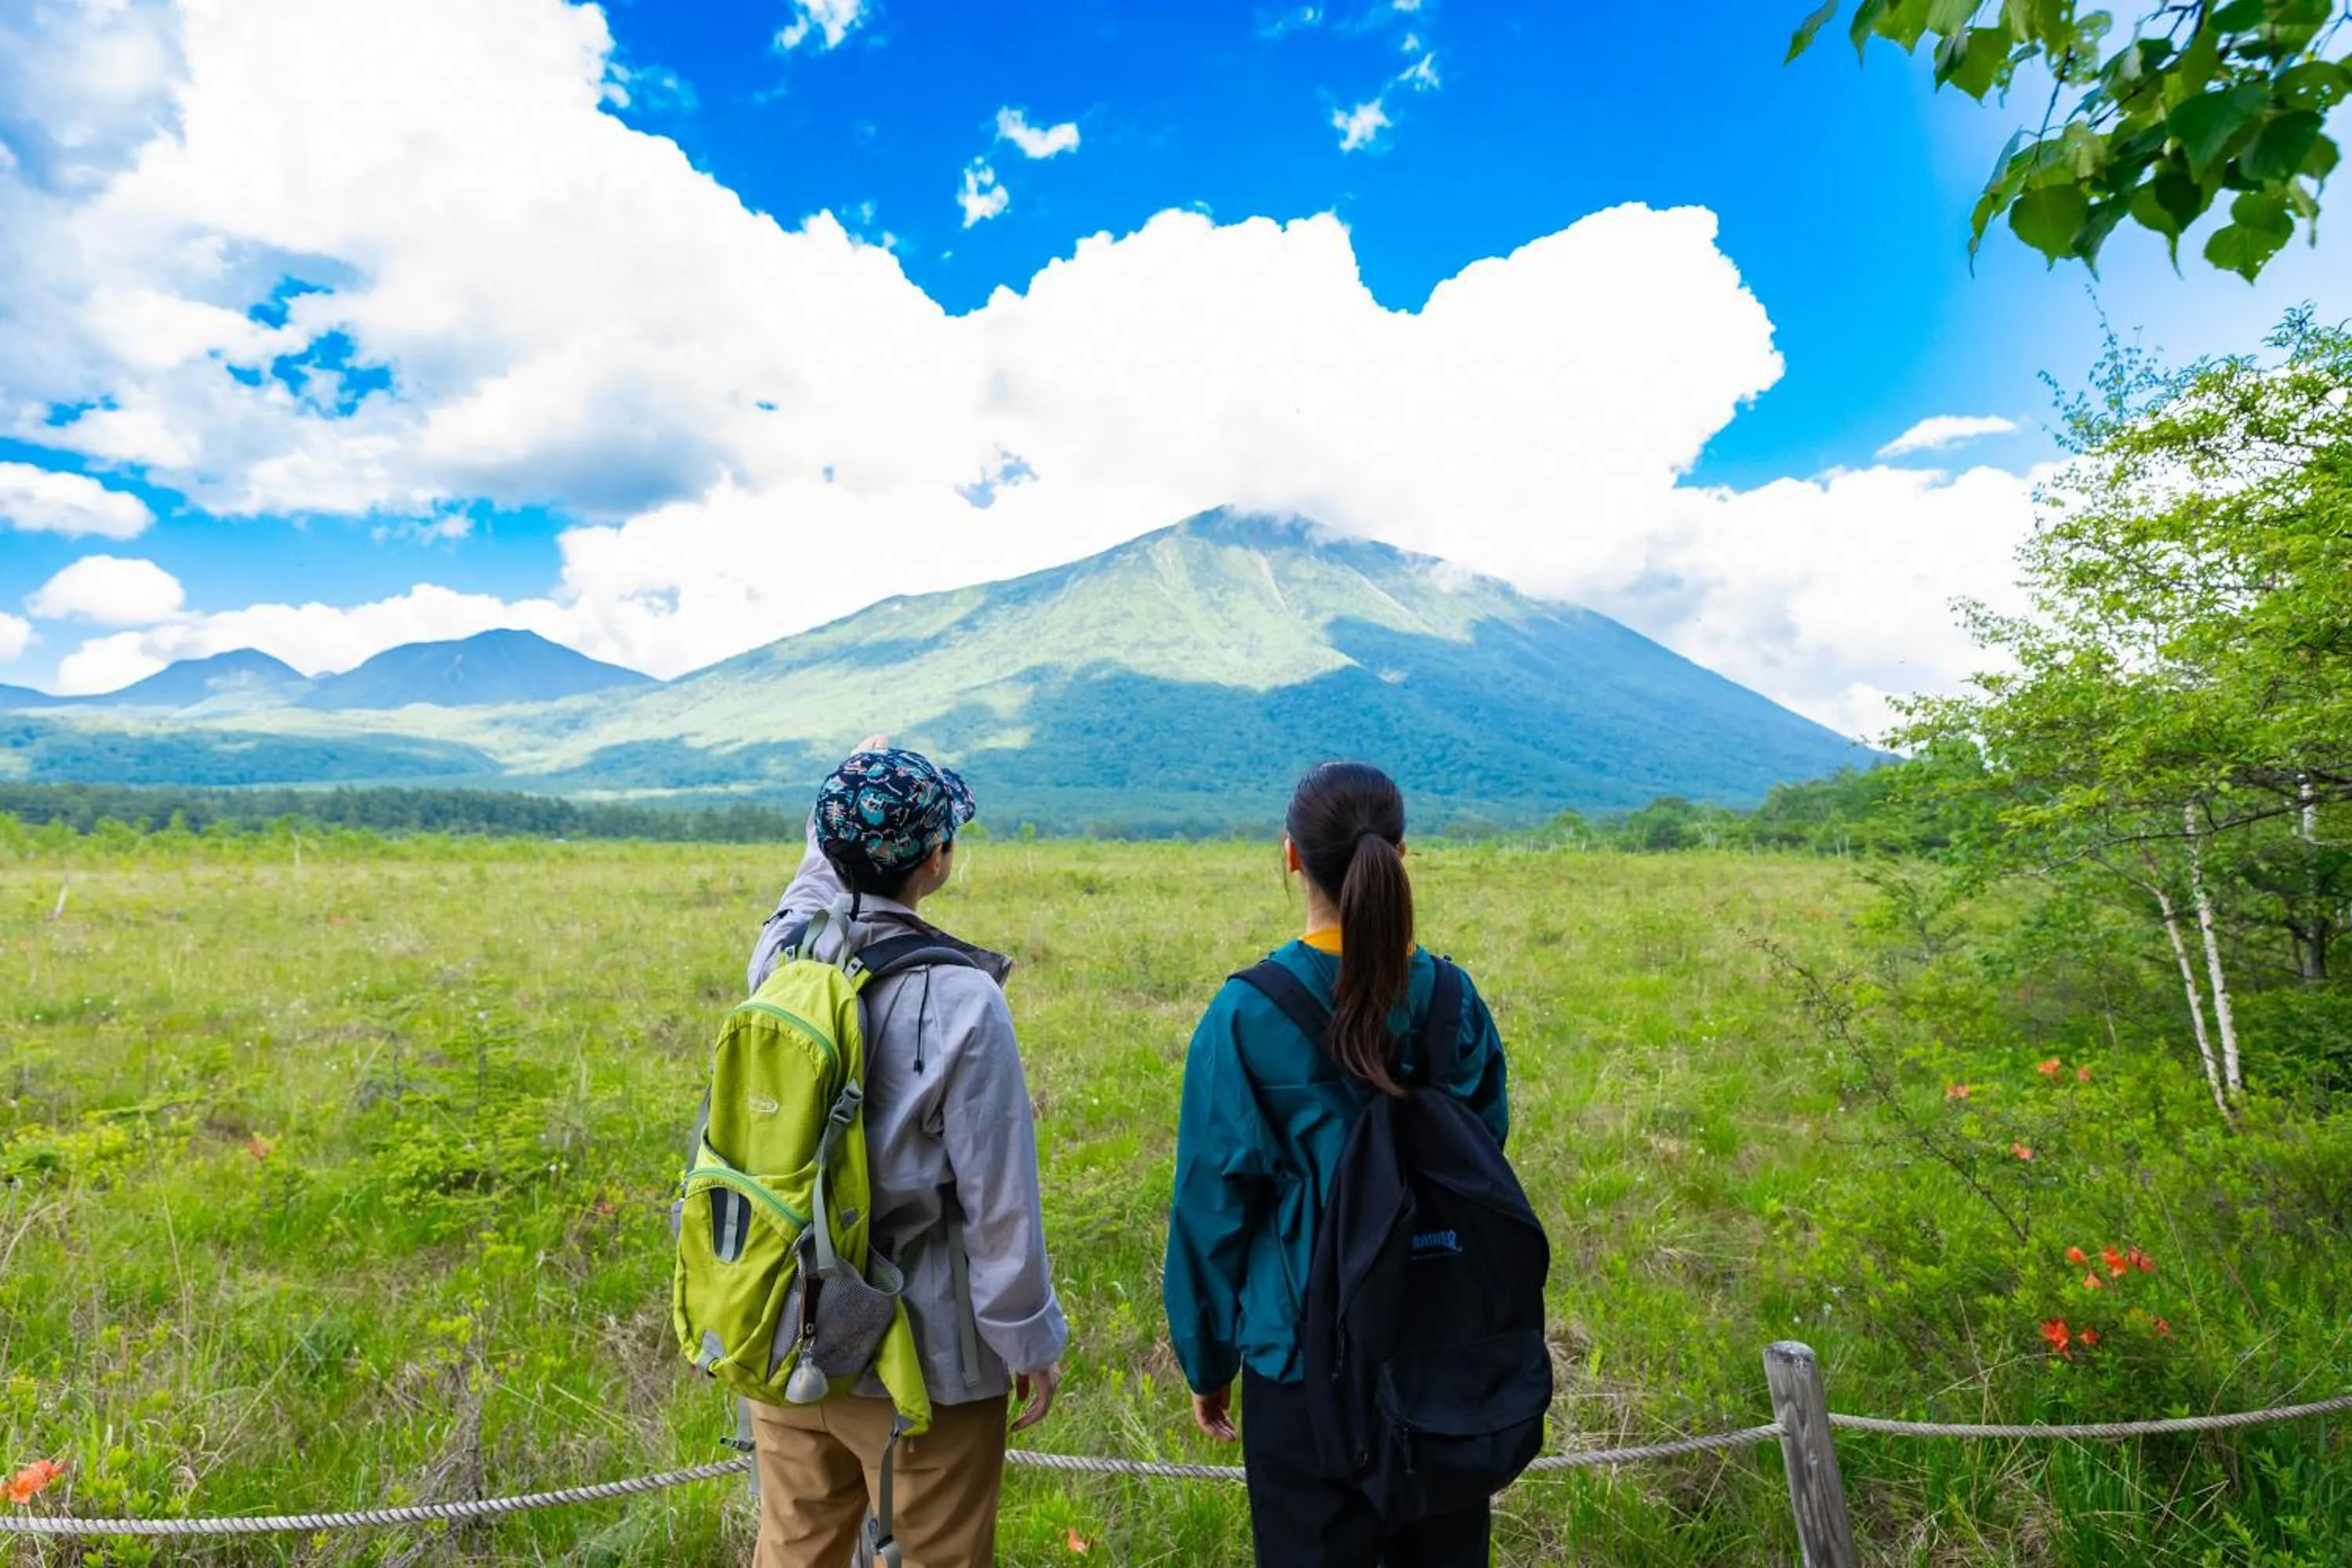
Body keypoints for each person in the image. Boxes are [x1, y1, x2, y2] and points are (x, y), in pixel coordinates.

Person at [1163, 760, 1512, 1567]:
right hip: (1442, 1351)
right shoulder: (1455, 999)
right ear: (1401, 853)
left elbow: (1210, 1208)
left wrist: (1208, 1359)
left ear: (1291, 856)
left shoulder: (1247, 1012)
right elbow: (1484, 1154)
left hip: (1300, 1364)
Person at [744, 737, 1068, 1568]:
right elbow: (1001, 1205)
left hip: (790, 1333)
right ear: (936, 859)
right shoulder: (965, 998)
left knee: (793, 1552)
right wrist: (1028, 1342)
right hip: (924, 1360)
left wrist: (845, 800)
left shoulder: (780, 956)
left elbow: (810, 883)